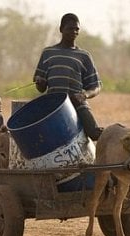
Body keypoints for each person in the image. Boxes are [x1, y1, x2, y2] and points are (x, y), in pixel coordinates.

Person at [33, 13, 103, 141]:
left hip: (76, 103)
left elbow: (96, 86)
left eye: (77, 29)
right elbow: (41, 88)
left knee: (94, 133)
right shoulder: (48, 53)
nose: (74, 32)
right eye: (70, 28)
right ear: (61, 29)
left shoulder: (84, 55)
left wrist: (84, 95)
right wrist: (40, 81)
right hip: (52, 105)